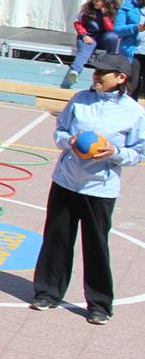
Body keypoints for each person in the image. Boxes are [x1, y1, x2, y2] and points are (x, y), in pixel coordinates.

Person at [30, 52, 144, 325]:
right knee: (56, 239)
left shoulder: (134, 112)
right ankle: (47, 292)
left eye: (102, 72)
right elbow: (60, 130)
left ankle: (99, 304)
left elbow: (138, 153)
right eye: (95, 70)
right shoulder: (80, 99)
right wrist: (69, 141)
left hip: (100, 189)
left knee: (96, 245)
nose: (96, 75)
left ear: (121, 78)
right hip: (66, 181)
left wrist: (114, 152)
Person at [65, 0, 121, 88]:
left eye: (97, 1)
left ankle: (109, 68)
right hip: (89, 36)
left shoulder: (114, 12)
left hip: (103, 38)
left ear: (105, 2)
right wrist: (84, 35)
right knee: (84, 52)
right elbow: (78, 23)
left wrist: (105, 15)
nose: (94, 2)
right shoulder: (88, 10)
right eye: (93, 0)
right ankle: (74, 71)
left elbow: (110, 29)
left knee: (112, 37)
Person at [120, 0, 145, 101]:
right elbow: (118, 29)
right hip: (134, 51)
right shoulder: (129, 6)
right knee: (132, 86)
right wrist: (135, 28)